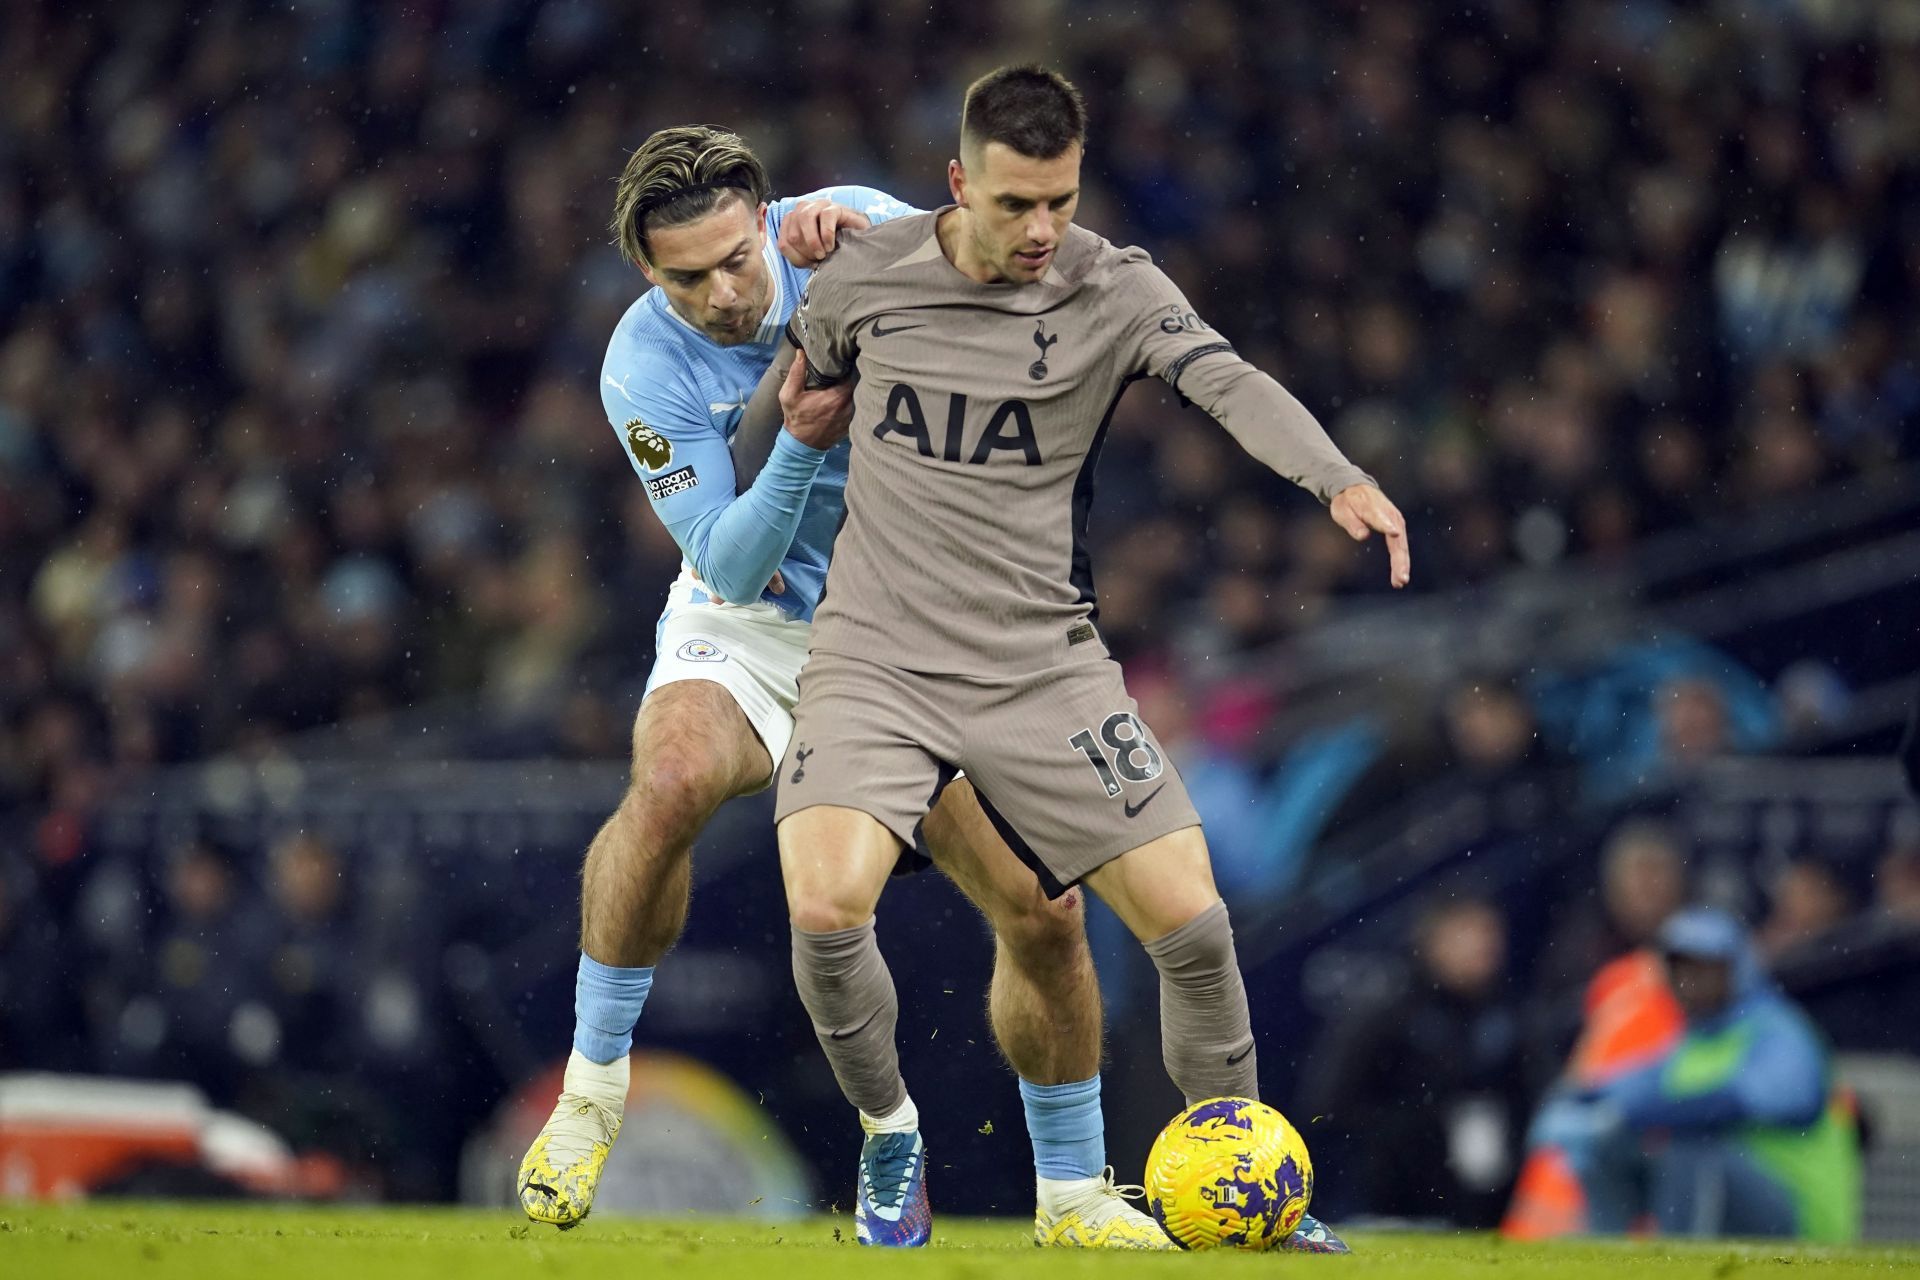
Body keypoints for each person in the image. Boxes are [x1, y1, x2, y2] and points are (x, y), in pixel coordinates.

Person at [741, 65, 1409, 1251]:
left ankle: (1241, 1175)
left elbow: (1228, 380)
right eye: (1014, 204)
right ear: (957, 184)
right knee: (825, 906)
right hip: (876, 659)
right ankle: (893, 1143)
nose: (1042, 229)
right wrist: (769, 448)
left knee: (1194, 924)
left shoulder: (1113, 286)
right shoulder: (864, 276)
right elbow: (765, 424)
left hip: (1042, 666)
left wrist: (1335, 475)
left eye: (1060, 198)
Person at [516, 125, 1146, 1250]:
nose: (719, 293)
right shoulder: (640, 365)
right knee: (668, 780)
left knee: (1045, 910)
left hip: (918, 623)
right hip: (754, 620)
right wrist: (801, 445)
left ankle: (1074, 1195)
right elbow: (736, 559)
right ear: (646, 274)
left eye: (735, 260)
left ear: (766, 219)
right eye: (685, 277)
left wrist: (896, 248)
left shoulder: (849, 225)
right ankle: (590, 1091)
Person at [1519, 909, 1861, 1241]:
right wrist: (1579, 1101)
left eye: (1705, 970)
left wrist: (1643, 1113)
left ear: (1737, 969)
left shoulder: (1777, 1028)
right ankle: (1609, 1257)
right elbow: (1631, 1089)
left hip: (1799, 1217)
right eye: (1681, 971)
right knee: (1609, 1145)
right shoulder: (1691, 1042)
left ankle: (1678, 1262)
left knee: (1687, 1146)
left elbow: (1787, 1101)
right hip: (1733, 1207)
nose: (1691, 983)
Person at [1302, 896, 1528, 1227]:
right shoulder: (1387, 1008)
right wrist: (1416, 1133)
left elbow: (1533, 1091)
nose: (1482, 945)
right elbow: (1327, 1102)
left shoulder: (1509, 1010)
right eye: (1466, 932)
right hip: (1392, 1199)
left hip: (1491, 1197)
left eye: (1489, 933)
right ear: (1433, 941)